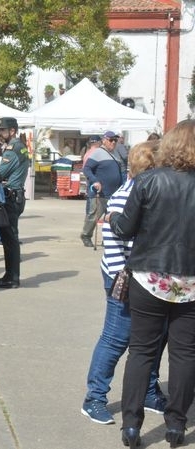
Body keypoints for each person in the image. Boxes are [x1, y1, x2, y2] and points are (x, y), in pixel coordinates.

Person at [107, 120, 195, 448]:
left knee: (142, 351)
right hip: (190, 280)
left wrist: (113, 219)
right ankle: (176, 425)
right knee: (185, 354)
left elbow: (125, 229)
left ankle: (131, 425)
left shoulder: (148, 180)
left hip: (149, 277)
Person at [79, 140, 166, 427]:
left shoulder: (147, 193)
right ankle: (94, 398)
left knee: (152, 338)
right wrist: (122, 279)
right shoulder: (125, 197)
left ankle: (149, 393)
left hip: (145, 278)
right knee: (116, 337)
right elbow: (113, 247)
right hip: (124, 277)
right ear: (150, 169)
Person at [0, 117, 29, 289]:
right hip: (15, 195)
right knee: (9, 238)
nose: (0, 133)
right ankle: (9, 275)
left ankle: (12, 277)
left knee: (10, 238)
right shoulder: (18, 147)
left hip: (11, 197)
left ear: (12, 131)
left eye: (2, 130)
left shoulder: (13, 149)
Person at [79, 131, 123, 248]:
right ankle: (86, 235)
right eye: (111, 140)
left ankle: (108, 238)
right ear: (104, 140)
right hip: (99, 192)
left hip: (113, 193)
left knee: (111, 217)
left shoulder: (116, 155)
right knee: (93, 216)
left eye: (115, 140)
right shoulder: (97, 153)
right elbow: (87, 169)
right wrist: (95, 181)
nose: (113, 142)